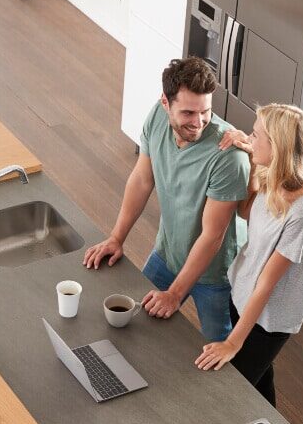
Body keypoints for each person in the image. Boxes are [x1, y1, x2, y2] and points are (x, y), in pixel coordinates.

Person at [83, 58, 249, 342]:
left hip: (215, 273)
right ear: (165, 103)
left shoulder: (228, 157)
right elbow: (142, 179)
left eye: (205, 112)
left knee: (217, 351)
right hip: (168, 251)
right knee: (133, 322)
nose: (198, 123)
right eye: (188, 113)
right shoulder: (157, 118)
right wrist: (116, 238)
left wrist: (174, 294)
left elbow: (212, 237)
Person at [194, 103, 303, 408]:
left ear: (276, 146)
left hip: (269, 319)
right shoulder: (276, 171)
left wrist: (232, 343)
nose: (249, 138)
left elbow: (267, 284)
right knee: (258, 382)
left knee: (231, 393)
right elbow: (246, 211)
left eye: (255, 135)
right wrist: (252, 161)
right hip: (242, 293)